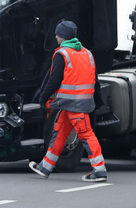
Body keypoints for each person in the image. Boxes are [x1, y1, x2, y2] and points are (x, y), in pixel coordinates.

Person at [29, 20, 107, 182]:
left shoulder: (62, 54)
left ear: (63, 37)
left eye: (57, 34)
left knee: (86, 134)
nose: (55, 36)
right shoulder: (87, 53)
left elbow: (53, 80)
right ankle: (46, 166)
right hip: (75, 104)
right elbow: (95, 80)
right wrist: (98, 100)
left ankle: (99, 171)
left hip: (73, 104)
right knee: (59, 133)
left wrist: (43, 98)